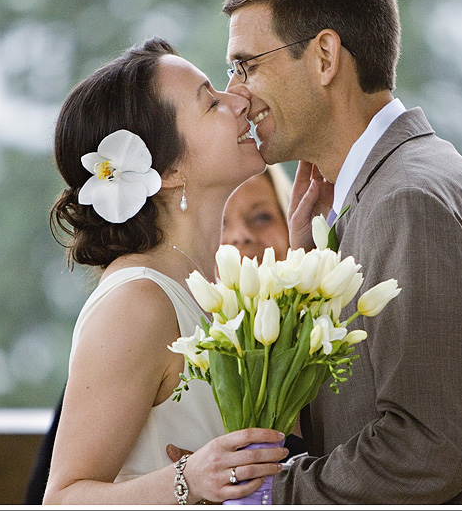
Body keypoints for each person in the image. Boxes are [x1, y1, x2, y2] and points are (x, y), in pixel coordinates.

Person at [220, 0, 462, 504]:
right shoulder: (402, 186)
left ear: (325, 57)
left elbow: (432, 446)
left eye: (247, 65)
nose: (235, 92)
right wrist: (305, 263)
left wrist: (264, 495)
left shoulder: (409, 200)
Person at [41, 37, 287, 505]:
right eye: (212, 101)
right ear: (169, 169)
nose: (240, 99)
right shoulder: (139, 302)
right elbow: (62, 500)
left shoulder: (217, 290)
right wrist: (189, 478)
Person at [23, 164, 297, 504]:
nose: (241, 235)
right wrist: (189, 478)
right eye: (221, 221)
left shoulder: (311, 344)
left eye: (261, 218)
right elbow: (56, 498)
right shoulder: (139, 326)